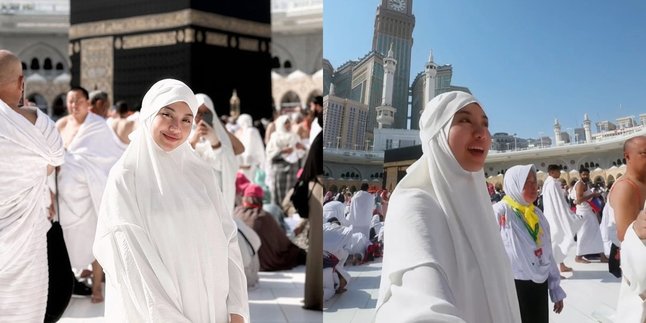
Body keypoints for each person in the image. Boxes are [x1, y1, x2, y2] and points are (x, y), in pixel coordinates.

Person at [93, 79, 248, 322]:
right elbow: (132, 265)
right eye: (167, 114)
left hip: (211, 310)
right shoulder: (126, 177)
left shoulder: (200, 173)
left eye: (187, 119)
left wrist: (237, 308)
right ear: (150, 113)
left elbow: (228, 238)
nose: (177, 127)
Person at [375, 91, 521, 322]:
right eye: (464, 120)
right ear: (438, 132)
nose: (481, 132)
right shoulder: (415, 202)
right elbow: (418, 307)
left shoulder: (478, 206)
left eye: (485, 124)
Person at [0, 49, 65, 322]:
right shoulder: (34, 123)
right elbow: (57, 156)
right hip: (24, 247)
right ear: (21, 81)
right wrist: (24, 111)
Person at [56, 86, 124, 303]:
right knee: (65, 240)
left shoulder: (98, 126)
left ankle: (97, 288)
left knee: (95, 238)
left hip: (91, 193)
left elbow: (111, 156)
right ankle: (68, 285)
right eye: (70, 101)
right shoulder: (60, 124)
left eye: (77, 100)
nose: (73, 105)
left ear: (87, 102)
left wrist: (79, 165)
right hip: (64, 195)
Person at [493, 165, 565, 322]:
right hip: (513, 287)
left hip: (539, 285)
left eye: (535, 181)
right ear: (515, 184)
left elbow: (546, 251)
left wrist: (555, 287)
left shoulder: (537, 214)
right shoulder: (500, 211)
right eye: (527, 182)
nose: (534, 186)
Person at [605, 136, 646, 322]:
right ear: (627, 157)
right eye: (644, 154)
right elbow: (626, 235)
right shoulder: (625, 188)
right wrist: (637, 227)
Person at [234, 184, 306, 271]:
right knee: (295, 252)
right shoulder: (264, 216)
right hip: (266, 263)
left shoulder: (236, 213)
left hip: (242, 262)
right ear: (261, 198)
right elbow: (283, 242)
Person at [541, 164, 582, 272]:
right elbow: (559, 203)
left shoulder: (549, 183)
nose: (560, 173)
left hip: (552, 215)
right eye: (557, 171)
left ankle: (561, 265)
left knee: (557, 240)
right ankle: (554, 270)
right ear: (551, 173)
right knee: (557, 239)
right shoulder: (552, 184)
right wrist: (566, 214)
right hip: (555, 216)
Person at [266, 115, 306, 206]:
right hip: (278, 168)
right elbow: (269, 153)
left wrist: (301, 148)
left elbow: (301, 152)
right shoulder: (275, 137)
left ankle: (290, 211)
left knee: (291, 191)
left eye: (289, 122)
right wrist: (282, 151)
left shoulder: (294, 136)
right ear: (280, 124)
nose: (288, 125)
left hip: (293, 168)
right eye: (285, 123)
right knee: (278, 190)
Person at [570, 168, 608, 263]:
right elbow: (578, 200)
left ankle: (602, 255)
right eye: (584, 175)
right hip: (584, 213)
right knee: (584, 234)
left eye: (587, 174)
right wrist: (593, 195)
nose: (586, 176)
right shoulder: (580, 184)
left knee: (596, 234)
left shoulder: (584, 184)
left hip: (588, 212)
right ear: (580, 175)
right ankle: (578, 257)